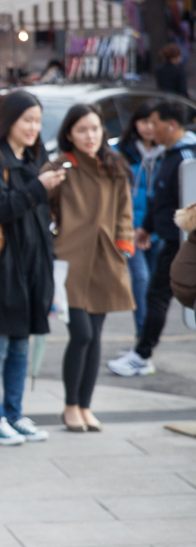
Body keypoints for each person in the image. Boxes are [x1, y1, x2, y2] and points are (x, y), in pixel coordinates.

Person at [0, 90, 65, 445]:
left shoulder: (35, 157)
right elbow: (0, 209)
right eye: (27, 120)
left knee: (21, 344)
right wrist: (39, 187)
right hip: (0, 269)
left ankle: (15, 413)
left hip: (32, 266)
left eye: (37, 121)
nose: (33, 127)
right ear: (9, 121)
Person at [43, 105, 135, 432]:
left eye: (95, 128)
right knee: (80, 334)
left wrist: (124, 246)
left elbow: (125, 212)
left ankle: (85, 406)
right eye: (82, 130)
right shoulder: (61, 167)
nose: (90, 136)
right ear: (69, 133)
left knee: (95, 337)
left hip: (106, 260)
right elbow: (44, 208)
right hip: (69, 263)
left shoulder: (115, 167)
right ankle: (70, 406)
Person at [108, 100, 196, 376]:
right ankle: (142, 351)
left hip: (182, 242)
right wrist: (146, 226)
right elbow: (159, 197)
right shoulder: (168, 154)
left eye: (155, 123)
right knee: (156, 293)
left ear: (171, 125)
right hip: (168, 238)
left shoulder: (186, 158)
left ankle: (142, 354)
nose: (151, 129)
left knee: (158, 294)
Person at [116, 100, 165, 337]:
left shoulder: (168, 152)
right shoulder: (121, 152)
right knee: (141, 278)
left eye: (153, 122)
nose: (148, 127)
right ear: (135, 123)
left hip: (157, 229)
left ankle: (148, 341)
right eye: (144, 121)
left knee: (155, 286)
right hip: (131, 228)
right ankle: (142, 337)